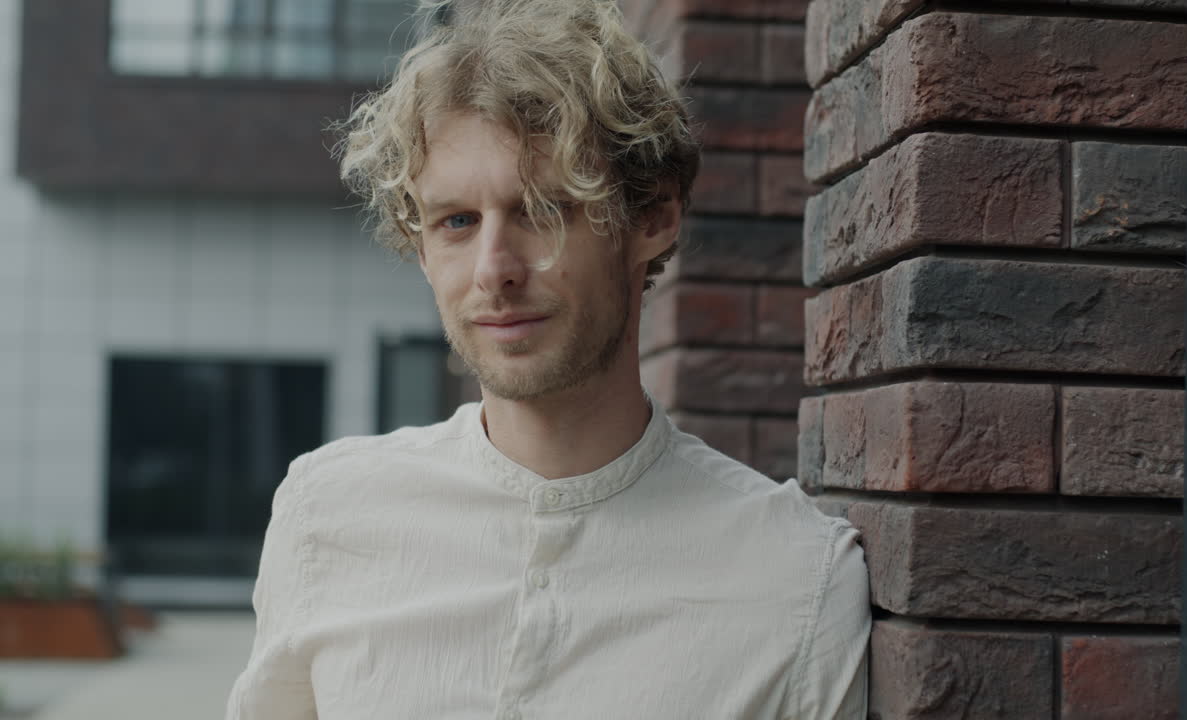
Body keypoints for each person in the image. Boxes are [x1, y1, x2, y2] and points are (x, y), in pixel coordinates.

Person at [225, 0, 870, 717]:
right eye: (457, 222)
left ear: (652, 217)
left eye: (542, 208)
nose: (493, 269)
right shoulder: (325, 515)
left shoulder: (797, 578)